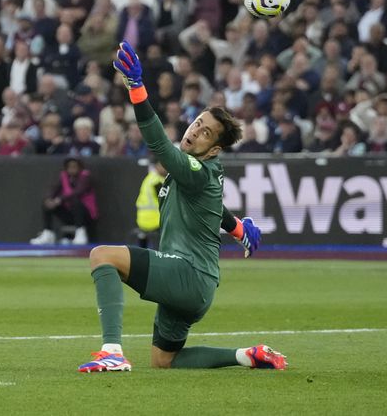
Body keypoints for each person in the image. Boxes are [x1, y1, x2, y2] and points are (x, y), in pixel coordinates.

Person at [78, 42, 285, 373]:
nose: (195, 132)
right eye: (197, 123)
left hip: (187, 274)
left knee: (102, 256)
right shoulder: (204, 174)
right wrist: (237, 228)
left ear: (214, 148)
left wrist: (137, 88)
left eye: (205, 133)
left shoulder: (195, 170)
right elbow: (212, 209)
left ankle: (112, 352)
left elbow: (159, 143)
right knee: (165, 362)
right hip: (198, 288)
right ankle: (247, 355)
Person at [30, 157, 98, 246]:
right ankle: (48, 233)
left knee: (75, 202)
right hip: (69, 214)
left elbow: (78, 192)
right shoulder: (63, 176)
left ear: (80, 167)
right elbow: (54, 188)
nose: (72, 169)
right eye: (69, 167)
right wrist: (49, 198)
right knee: (47, 204)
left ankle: (80, 233)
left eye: (74, 166)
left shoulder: (85, 176)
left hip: (86, 214)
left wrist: (59, 199)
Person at [133, 159, 166, 249]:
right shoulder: (156, 181)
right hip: (154, 219)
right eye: (162, 165)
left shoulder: (150, 177)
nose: (165, 168)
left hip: (142, 218)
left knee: (143, 239)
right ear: (156, 166)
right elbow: (164, 199)